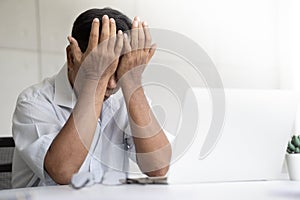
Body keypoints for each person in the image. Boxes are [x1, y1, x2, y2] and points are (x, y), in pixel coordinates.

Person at [12, 8, 171, 188]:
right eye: (105, 69)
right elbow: (63, 172)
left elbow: (158, 168)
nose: (111, 84)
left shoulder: (124, 96)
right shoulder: (34, 102)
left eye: (119, 72)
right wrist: (95, 79)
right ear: (72, 57)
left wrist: (132, 81)